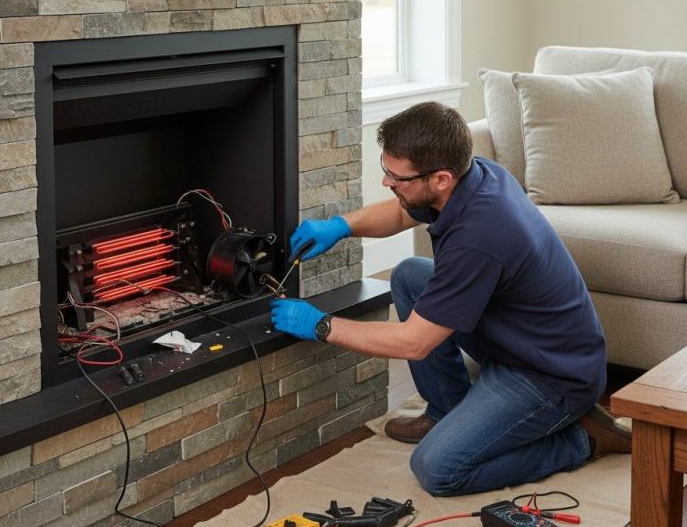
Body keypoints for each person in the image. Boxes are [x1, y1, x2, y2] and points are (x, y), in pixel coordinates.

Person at [270, 102, 631, 496]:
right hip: (518, 338)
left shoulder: (481, 236)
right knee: (410, 274)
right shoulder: (475, 175)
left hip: (550, 376)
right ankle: (445, 412)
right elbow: (403, 212)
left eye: (396, 177)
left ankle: (584, 439)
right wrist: (340, 226)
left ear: (440, 178)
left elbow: (413, 342)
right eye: (386, 171)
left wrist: (320, 325)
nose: (388, 183)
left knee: (437, 468)